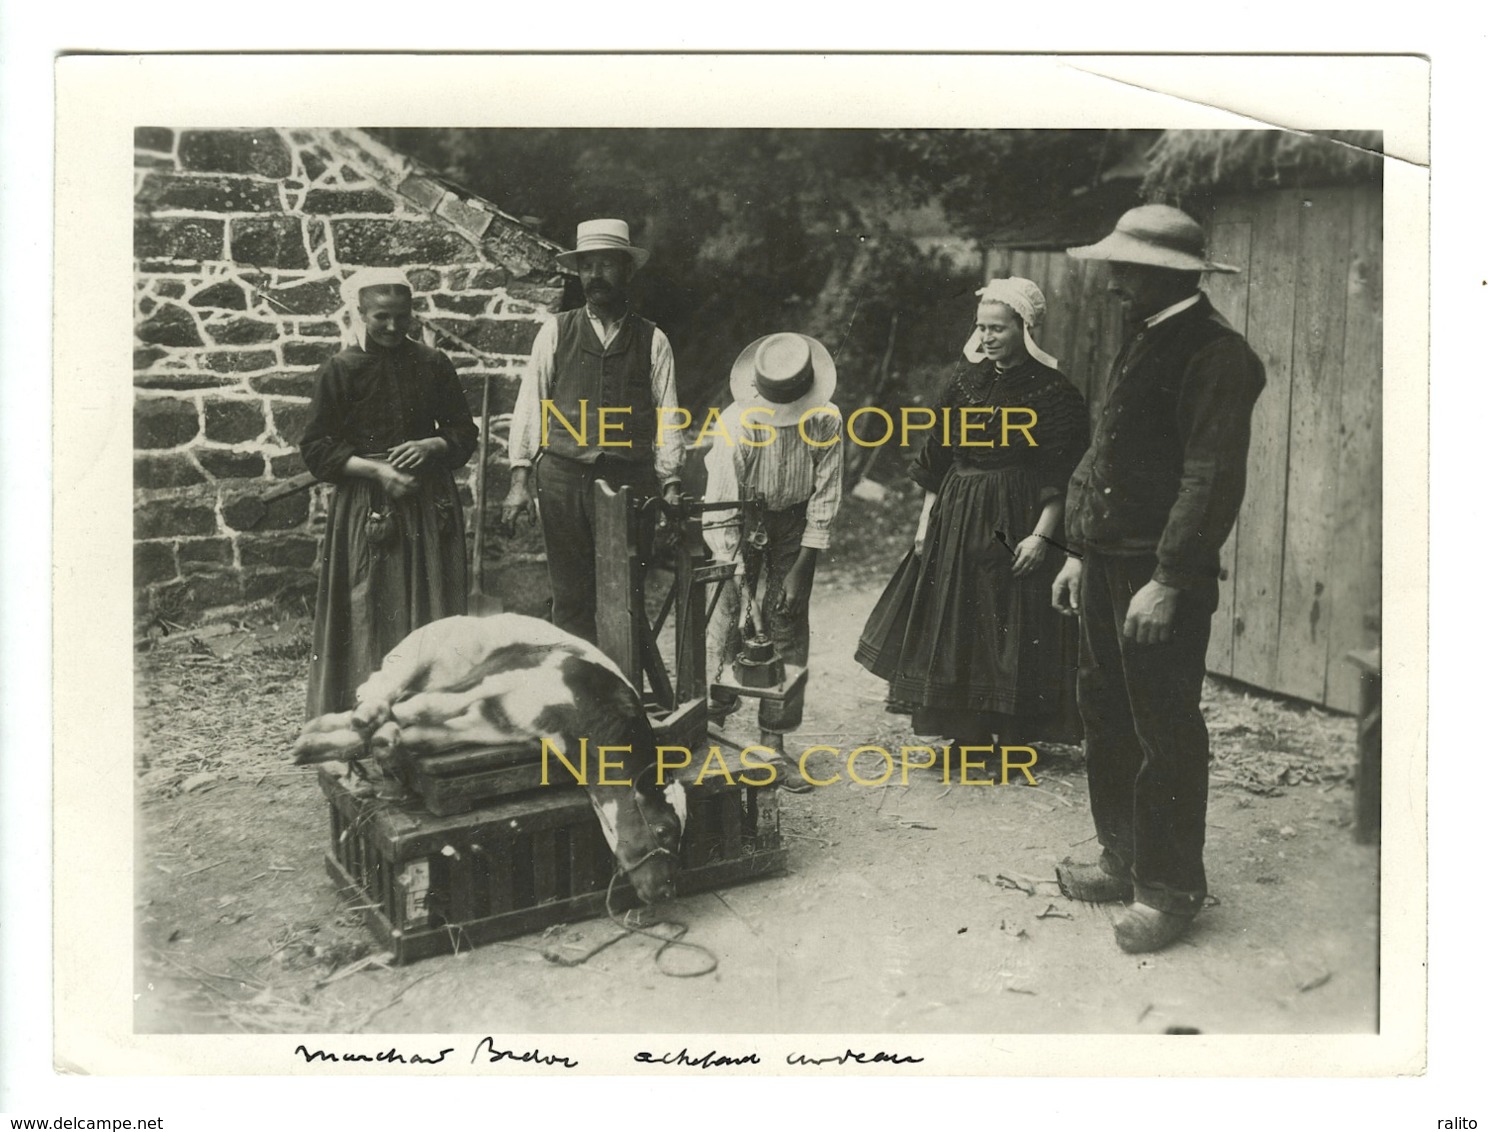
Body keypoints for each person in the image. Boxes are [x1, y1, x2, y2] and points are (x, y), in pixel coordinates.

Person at [1051, 204, 1266, 953]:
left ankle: (1170, 889)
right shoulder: (1144, 339)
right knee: (1103, 710)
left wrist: (1171, 577)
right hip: (1110, 563)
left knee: (1163, 726)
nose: (1112, 281)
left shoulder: (1216, 355)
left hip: (1159, 575)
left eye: (1124, 268)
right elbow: (1107, 453)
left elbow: (1210, 479)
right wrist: (1079, 550)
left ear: (1163, 272)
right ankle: (1125, 857)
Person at [856, 278, 1088, 775]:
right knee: (958, 618)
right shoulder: (962, 381)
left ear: (1024, 329)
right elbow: (937, 458)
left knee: (1012, 622)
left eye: (997, 328)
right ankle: (967, 737)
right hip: (957, 516)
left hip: (1019, 518)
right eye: (980, 327)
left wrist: (1043, 535)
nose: (986, 337)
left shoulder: (1056, 394)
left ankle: (1014, 740)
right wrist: (924, 525)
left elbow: (1063, 472)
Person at [300, 267, 478, 717]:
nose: (394, 327)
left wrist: (432, 444)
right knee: (370, 606)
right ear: (360, 313)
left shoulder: (434, 363)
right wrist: (378, 472)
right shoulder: (340, 369)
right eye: (381, 317)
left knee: (434, 605)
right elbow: (317, 448)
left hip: (427, 501)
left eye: (403, 316)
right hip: (368, 511)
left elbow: (463, 432)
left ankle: (434, 713)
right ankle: (366, 715)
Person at [501, 218, 685, 645]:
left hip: (630, 480)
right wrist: (519, 479)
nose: (596, 276)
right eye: (587, 266)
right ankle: (578, 699)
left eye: (606, 265)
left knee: (626, 595)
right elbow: (530, 405)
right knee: (570, 597)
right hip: (564, 479)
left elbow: (669, 415)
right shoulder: (557, 330)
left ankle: (625, 695)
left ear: (627, 271)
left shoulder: (652, 340)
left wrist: (671, 480)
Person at [702, 333, 844, 793]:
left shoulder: (825, 418)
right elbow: (721, 513)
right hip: (739, 520)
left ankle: (773, 744)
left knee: (787, 621)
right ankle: (710, 727)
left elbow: (826, 494)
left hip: (793, 523)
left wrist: (803, 565)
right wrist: (743, 589)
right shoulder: (736, 425)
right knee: (725, 619)